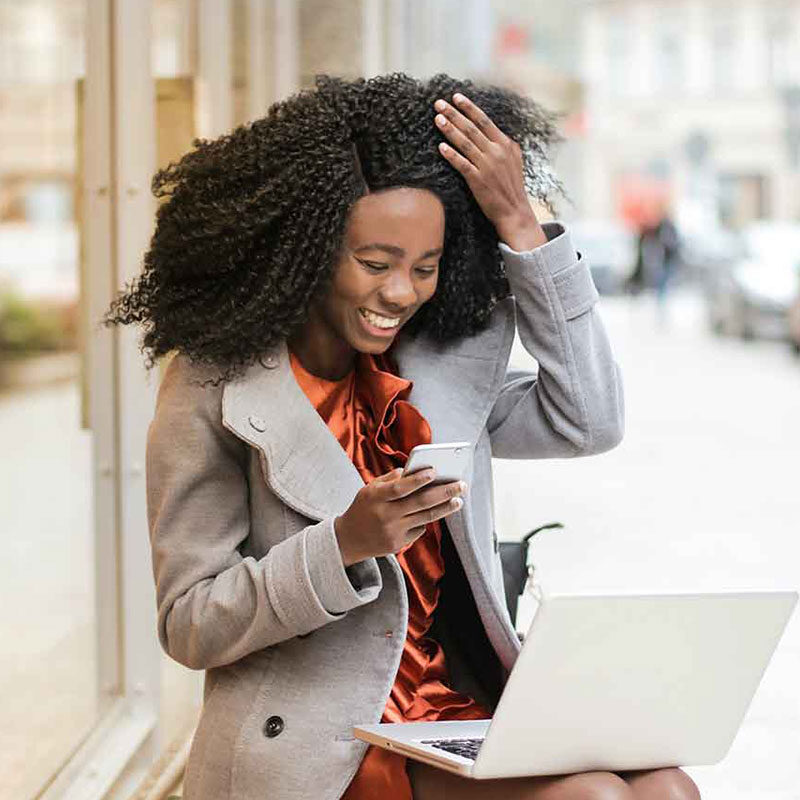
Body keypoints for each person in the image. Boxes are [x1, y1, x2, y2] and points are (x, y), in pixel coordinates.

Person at [106, 73, 700, 800]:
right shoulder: (214, 387)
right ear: (306, 247)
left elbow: (589, 419)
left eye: (426, 268)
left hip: (451, 711)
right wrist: (343, 544)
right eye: (375, 263)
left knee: (667, 785)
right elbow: (189, 623)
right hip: (326, 739)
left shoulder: (431, 368)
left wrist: (519, 223)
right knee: (593, 798)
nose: (401, 293)